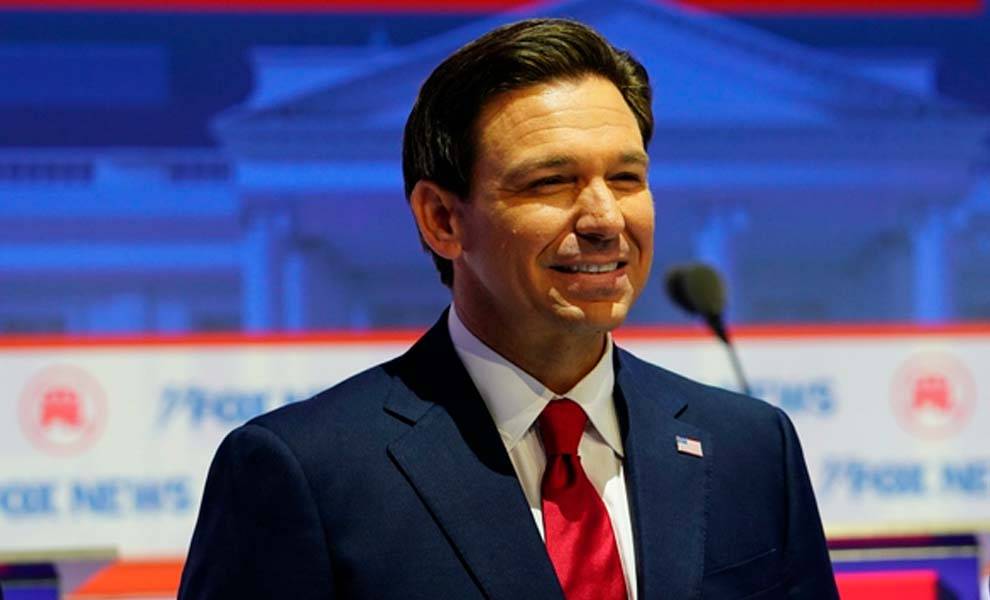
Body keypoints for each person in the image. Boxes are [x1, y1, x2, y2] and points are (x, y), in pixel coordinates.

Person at [179, 18, 838, 599]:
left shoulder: (751, 447)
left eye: (627, 179)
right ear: (442, 219)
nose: (606, 219)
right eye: (552, 182)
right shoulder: (303, 471)